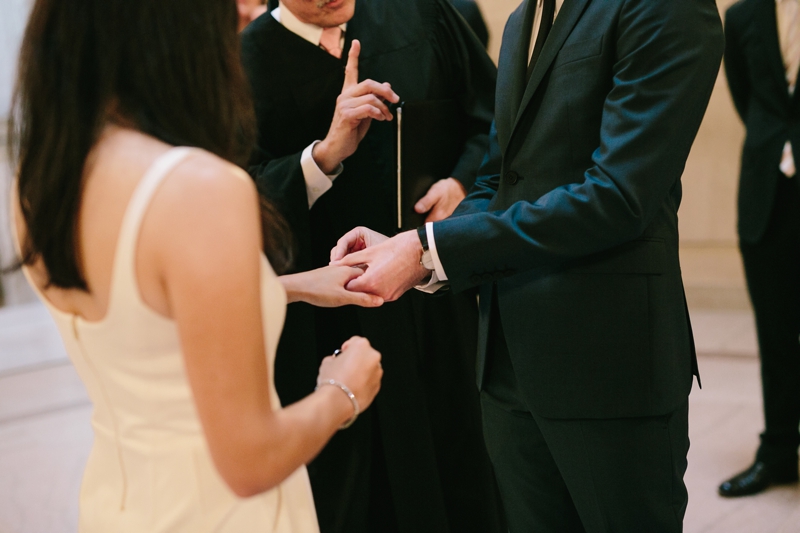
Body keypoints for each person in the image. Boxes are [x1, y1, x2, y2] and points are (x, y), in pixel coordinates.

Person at [331, 0, 724, 530]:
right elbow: (498, 179)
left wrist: (427, 249)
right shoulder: (522, 19)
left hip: (609, 364)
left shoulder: (665, 9)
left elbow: (618, 197)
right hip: (508, 362)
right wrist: (418, 248)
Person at [8, 1, 384, 531]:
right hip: (223, 512)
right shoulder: (196, 188)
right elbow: (250, 460)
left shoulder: (44, 179)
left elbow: (146, 321)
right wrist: (342, 391)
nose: (245, 16)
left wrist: (296, 286)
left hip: (120, 501)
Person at [240, 1, 502, 532]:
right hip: (329, 322)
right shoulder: (243, 61)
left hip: (434, 303)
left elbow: (495, 118)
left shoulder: (421, 15)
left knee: (461, 473)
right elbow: (233, 198)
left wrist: (462, 186)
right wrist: (322, 157)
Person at [718, 0, 800, 497]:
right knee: (775, 333)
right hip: (766, 195)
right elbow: (746, 97)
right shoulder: (742, 16)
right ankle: (778, 453)